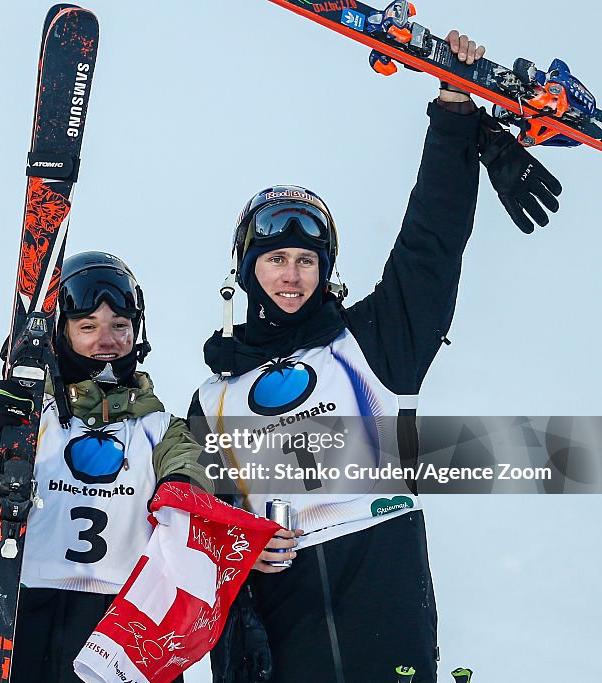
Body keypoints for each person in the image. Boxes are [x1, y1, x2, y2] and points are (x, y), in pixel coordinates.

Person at [191, 32, 562, 683]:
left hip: (387, 631)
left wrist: (453, 110)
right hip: (284, 642)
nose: (291, 275)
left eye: (306, 260)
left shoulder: (370, 347)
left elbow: (431, 244)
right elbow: (196, 530)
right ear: (248, 272)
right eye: (276, 259)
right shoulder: (213, 399)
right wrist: (237, 551)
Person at [0, 251, 293, 682]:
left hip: (118, 627)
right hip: (17, 615)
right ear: (61, 333)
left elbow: (192, 484)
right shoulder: (37, 415)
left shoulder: (161, 429)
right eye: (87, 327)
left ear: (137, 332)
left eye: (119, 326)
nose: (105, 340)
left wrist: (236, 539)